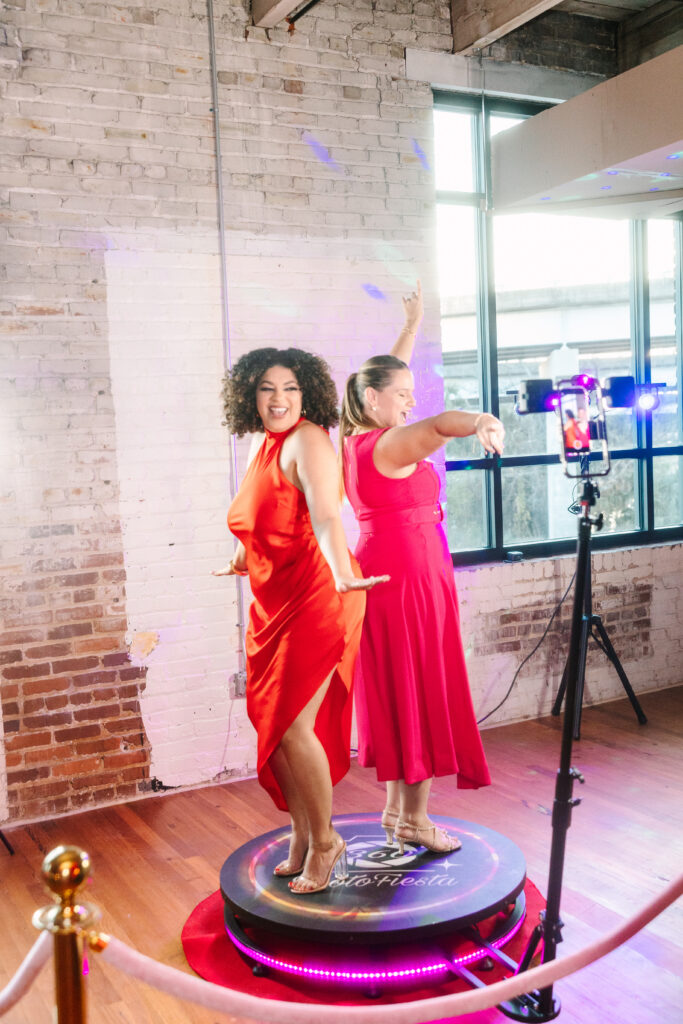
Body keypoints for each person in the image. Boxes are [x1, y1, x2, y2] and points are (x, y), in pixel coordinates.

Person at [214, 348, 387, 895]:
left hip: (318, 592)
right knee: (275, 727)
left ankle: (328, 841)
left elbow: (325, 515)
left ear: (306, 393)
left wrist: (341, 571)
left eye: (290, 388)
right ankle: (304, 832)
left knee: (293, 725)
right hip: (271, 599)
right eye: (267, 389)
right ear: (251, 397)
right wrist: (242, 556)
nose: (279, 399)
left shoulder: (309, 439)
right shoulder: (261, 446)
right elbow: (258, 516)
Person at [340, 283, 505, 855]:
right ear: (370, 398)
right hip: (409, 574)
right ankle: (413, 820)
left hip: (390, 568)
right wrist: (482, 417)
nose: (409, 400)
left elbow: (388, 379)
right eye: (401, 394)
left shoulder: (358, 439)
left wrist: (410, 328)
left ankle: (397, 812)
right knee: (418, 688)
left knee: (398, 686)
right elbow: (437, 425)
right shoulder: (392, 444)